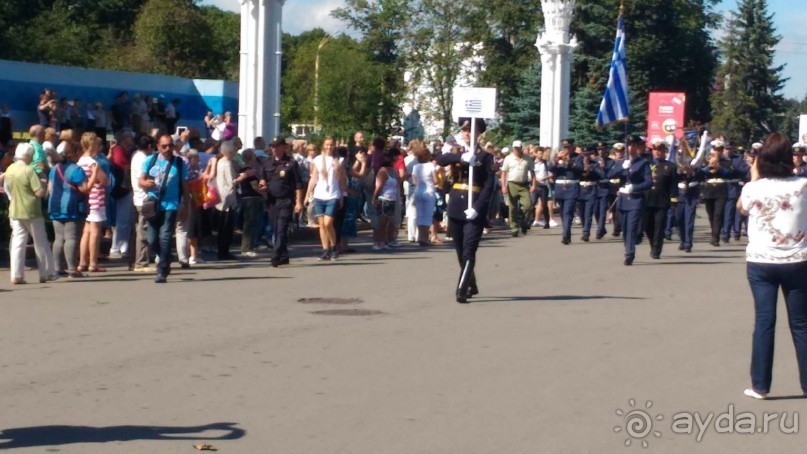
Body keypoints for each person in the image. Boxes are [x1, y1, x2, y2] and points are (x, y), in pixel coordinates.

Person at [738, 133, 807, 400]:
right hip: (797, 260)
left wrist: (755, 174)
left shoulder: (754, 188)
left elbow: (741, 208)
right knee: (801, 324)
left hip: (761, 262)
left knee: (765, 321)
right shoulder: (803, 185)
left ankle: (760, 385)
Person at [435, 118, 494, 304]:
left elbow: (488, 186)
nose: (467, 133)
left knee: (469, 250)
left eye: (471, 130)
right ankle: (471, 284)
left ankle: (461, 290)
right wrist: (460, 158)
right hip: (456, 205)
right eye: (465, 130)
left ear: (479, 132)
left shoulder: (486, 157)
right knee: (460, 250)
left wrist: (477, 208)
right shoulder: (457, 151)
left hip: (474, 206)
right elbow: (440, 159)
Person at [139, 134, 190, 283]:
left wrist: (186, 206)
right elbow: (141, 180)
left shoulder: (179, 163)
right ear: (158, 146)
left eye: (170, 146)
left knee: (165, 236)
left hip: (171, 205)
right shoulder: (150, 160)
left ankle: (162, 270)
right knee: (152, 239)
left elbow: (185, 186)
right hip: (153, 204)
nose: (167, 149)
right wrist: (145, 183)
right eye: (164, 146)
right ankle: (166, 257)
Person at [4, 143, 57, 284]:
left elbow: (7, 188)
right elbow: (39, 192)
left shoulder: (10, 169)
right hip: (32, 210)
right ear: (28, 156)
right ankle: (47, 273)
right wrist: (44, 182)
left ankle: (16, 275)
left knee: (17, 243)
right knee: (41, 242)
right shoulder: (28, 170)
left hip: (15, 210)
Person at [49, 140, 97, 278]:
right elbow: (85, 189)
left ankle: (57, 268)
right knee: (71, 238)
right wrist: (94, 174)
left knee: (59, 239)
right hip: (72, 207)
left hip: (56, 206)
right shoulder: (76, 170)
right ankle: (72, 269)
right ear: (76, 153)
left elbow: (50, 188)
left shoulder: (54, 168)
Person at [260, 136, 304, 267]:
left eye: (277, 146)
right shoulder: (267, 163)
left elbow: (298, 185)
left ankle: (276, 255)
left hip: (286, 200)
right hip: (271, 201)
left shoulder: (291, 163)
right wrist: (262, 184)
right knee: (275, 228)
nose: (274, 149)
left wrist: (299, 202)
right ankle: (284, 256)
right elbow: (263, 179)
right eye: (273, 146)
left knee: (281, 228)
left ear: (284, 147)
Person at [612, 135, 652, 265]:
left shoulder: (643, 163)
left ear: (637, 147)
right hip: (623, 200)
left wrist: (634, 187)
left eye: (633, 145)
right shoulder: (621, 163)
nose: (630, 148)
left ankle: (629, 253)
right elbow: (609, 175)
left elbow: (648, 182)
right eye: (629, 145)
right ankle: (628, 248)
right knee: (624, 228)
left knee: (631, 227)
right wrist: (622, 168)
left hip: (635, 200)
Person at [306, 136, 345, 261]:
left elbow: (341, 180)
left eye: (331, 144)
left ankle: (334, 247)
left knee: (328, 223)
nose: (329, 147)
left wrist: (342, 196)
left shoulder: (339, 160)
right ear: (323, 145)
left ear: (334, 146)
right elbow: (314, 178)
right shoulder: (317, 159)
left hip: (333, 195)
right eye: (327, 144)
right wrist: (307, 194)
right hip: (319, 195)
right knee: (322, 225)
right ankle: (325, 250)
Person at [77, 132, 110, 272]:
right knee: (95, 231)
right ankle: (93, 263)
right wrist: (104, 180)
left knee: (86, 231)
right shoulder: (92, 162)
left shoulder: (80, 160)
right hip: (96, 197)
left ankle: (82, 262)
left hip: (85, 200)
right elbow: (105, 180)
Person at [643, 140, 677, 259]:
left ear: (664, 152)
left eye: (660, 150)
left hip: (662, 201)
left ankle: (656, 249)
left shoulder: (670, 166)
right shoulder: (646, 164)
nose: (657, 152)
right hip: (647, 200)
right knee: (647, 226)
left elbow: (673, 185)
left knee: (659, 226)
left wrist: (673, 200)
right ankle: (653, 243)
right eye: (655, 150)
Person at [701, 139, 735, 246]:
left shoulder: (726, 162)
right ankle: (713, 233)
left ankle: (715, 237)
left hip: (721, 191)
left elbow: (730, 174)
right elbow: (701, 173)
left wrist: (719, 167)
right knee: (711, 214)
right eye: (716, 150)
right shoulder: (705, 160)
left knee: (718, 214)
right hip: (708, 190)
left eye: (720, 150)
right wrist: (709, 166)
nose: (718, 152)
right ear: (712, 150)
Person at [130, 135, 154, 272]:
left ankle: (136, 260)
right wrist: (154, 183)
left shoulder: (136, 156)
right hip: (143, 197)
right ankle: (141, 262)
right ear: (149, 146)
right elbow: (142, 181)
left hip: (139, 197)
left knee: (140, 229)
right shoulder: (142, 159)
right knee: (143, 231)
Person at [501, 140, 535, 237]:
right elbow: (504, 173)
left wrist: (533, 185)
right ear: (513, 148)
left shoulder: (527, 158)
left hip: (524, 185)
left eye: (518, 148)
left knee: (528, 205)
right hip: (512, 184)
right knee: (512, 207)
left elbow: (532, 172)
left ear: (521, 148)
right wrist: (503, 186)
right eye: (515, 148)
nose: (516, 150)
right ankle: (514, 228)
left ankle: (524, 223)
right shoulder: (508, 158)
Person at [550, 139, 582, 245]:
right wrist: (556, 160)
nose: (566, 149)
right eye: (565, 147)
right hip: (560, 188)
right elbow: (551, 168)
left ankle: (565, 234)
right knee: (563, 212)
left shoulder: (578, 157)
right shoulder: (558, 157)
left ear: (572, 147)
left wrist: (569, 161)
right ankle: (566, 232)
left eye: (568, 147)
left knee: (568, 211)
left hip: (571, 187)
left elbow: (580, 169)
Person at [214, 140, 240, 260]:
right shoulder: (227, 163)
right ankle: (224, 251)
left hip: (220, 196)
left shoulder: (220, 161)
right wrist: (242, 177)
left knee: (221, 227)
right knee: (227, 227)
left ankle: (221, 250)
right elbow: (231, 182)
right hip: (227, 198)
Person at [411, 142, 438, 246]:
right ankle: (425, 237)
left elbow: (414, 181)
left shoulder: (415, 167)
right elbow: (435, 180)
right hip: (429, 191)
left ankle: (420, 236)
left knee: (420, 215)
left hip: (418, 191)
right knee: (428, 215)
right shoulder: (431, 165)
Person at [575, 146, 603, 242]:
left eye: (587, 155)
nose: (586, 157)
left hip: (591, 189)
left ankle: (586, 233)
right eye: (584, 155)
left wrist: (590, 169)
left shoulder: (594, 164)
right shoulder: (578, 163)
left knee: (589, 213)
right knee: (581, 212)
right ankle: (584, 228)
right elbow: (575, 174)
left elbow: (600, 175)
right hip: (580, 189)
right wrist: (582, 167)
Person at [372, 153, 398, 251]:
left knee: (386, 222)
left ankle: (383, 241)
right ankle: (376, 241)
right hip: (384, 199)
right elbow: (379, 186)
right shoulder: (382, 172)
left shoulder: (391, 171)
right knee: (381, 223)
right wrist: (374, 197)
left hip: (391, 199)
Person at [722, 144, 747, 242]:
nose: (728, 151)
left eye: (729, 149)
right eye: (726, 149)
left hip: (735, 189)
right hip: (723, 189)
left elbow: (743, 172)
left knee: (736, 213)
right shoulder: (720, 159)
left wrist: (733, 169)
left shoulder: (738, 159)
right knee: (726, 213)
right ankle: (725, 233)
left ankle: (735, 232)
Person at [594, 142, 618, 239]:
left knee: (603, 209)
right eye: (599, 149)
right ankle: (602, 228)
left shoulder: (610, 162)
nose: (600, 151)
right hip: (596, 187)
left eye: (602, 149)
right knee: (596, 210)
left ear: (605, 150)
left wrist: (605, 168)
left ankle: (600, 230)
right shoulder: (594, 161)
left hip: (606, 187)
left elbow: (612, 174)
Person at [531, 147, 551, 229]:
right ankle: (529, 221)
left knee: (544, 204)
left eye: (542, 153)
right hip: (534, 186)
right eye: (539, 153)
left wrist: (543, 178)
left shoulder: (546, 163)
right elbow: (529, 174)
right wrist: (534, 180)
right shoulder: (532, 163)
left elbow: (551, 174)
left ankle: (547, 222)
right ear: (535, 154)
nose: (541, 155)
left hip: (543, 186)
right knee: (532, 203)